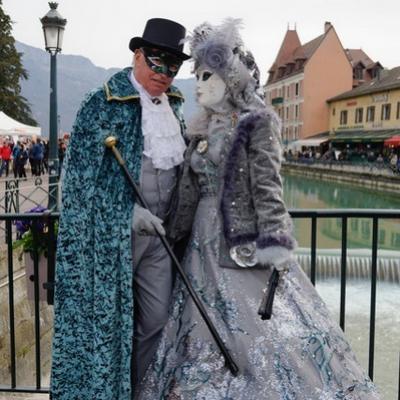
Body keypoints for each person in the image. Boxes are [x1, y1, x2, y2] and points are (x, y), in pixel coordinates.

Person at [137, 20, 380, 399]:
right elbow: (186, 188)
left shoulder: (256, 125)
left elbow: (268, 188)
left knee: (256, 332)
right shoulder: (198, 129)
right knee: (196, 326)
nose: (198, 84)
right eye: (197, 76)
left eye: (207, 75)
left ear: (230, 79)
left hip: (240, 242)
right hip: (198, 246)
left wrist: (275, 241)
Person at [50, 18, 190, 400]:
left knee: (158, 318)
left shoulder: (176, 107)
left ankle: (138, 388)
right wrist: (125, 215)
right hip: (112, 242)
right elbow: (77, 185)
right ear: (138, 55)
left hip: (160, 238)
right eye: (158, 62)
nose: (165, 73)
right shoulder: (101, 103)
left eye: (174, 66)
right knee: (110, 322)